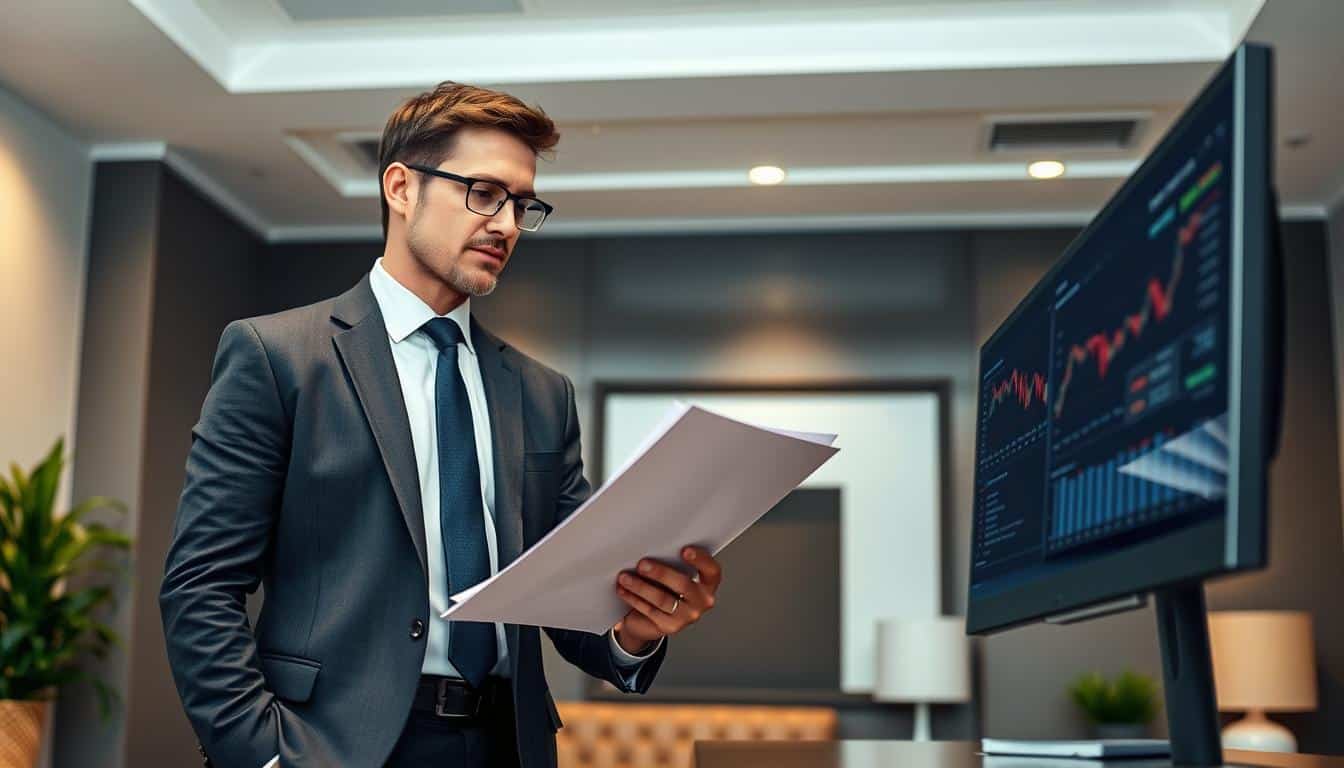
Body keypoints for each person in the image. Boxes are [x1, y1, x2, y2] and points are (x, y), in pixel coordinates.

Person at [160, 81, 724, 767]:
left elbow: (570, 601)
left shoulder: (544, 394)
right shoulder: (279, 356)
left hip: (505, 744)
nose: (507, 224)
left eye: (522, 205)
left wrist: (636, 630)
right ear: (401, 187)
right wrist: (264, 756)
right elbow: (202, 585)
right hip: (329, 748)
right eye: (483, 193)